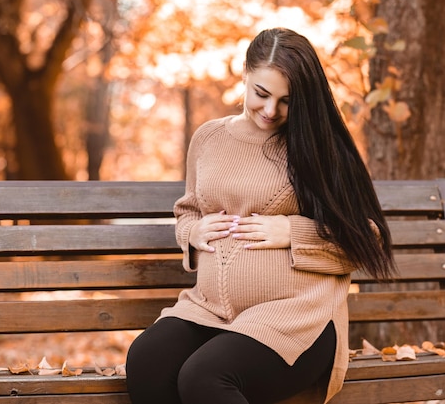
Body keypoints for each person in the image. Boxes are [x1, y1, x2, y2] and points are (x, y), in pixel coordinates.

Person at [125, 27, 395, 404]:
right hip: (210, 311)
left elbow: (368, 239)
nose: (270, 111)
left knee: (205, 377)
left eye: (287, 101)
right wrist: (193, 232)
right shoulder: (208, 139)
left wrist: (292, 231)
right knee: (146, 361)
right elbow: (187, 211)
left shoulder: (318, 147)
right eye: (262, 94)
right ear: (245, 76)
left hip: (297, 319)